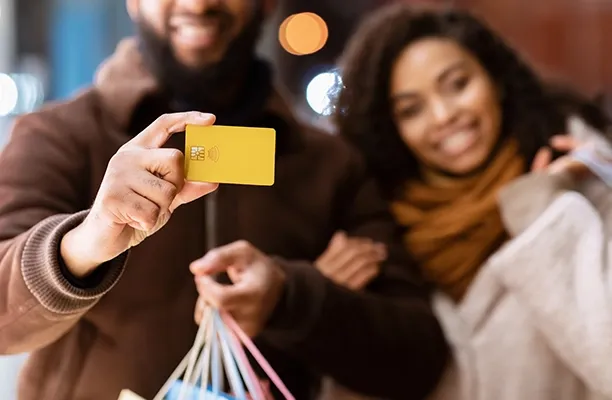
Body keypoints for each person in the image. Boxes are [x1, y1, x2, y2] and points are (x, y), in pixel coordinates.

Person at [0, 0, 449, 399]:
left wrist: (292, 297)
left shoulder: (331, 164)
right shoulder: (56, 137)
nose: (198, 4)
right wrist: (85, 242)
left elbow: (416, 360)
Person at [286, 3, 612, 399]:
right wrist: (330, 308)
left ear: (496, 79)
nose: (443, 115)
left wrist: (545, 216)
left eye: (457, 84)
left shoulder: (586, 185)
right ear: (391, 129)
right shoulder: (378, 231)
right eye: (411, 110)